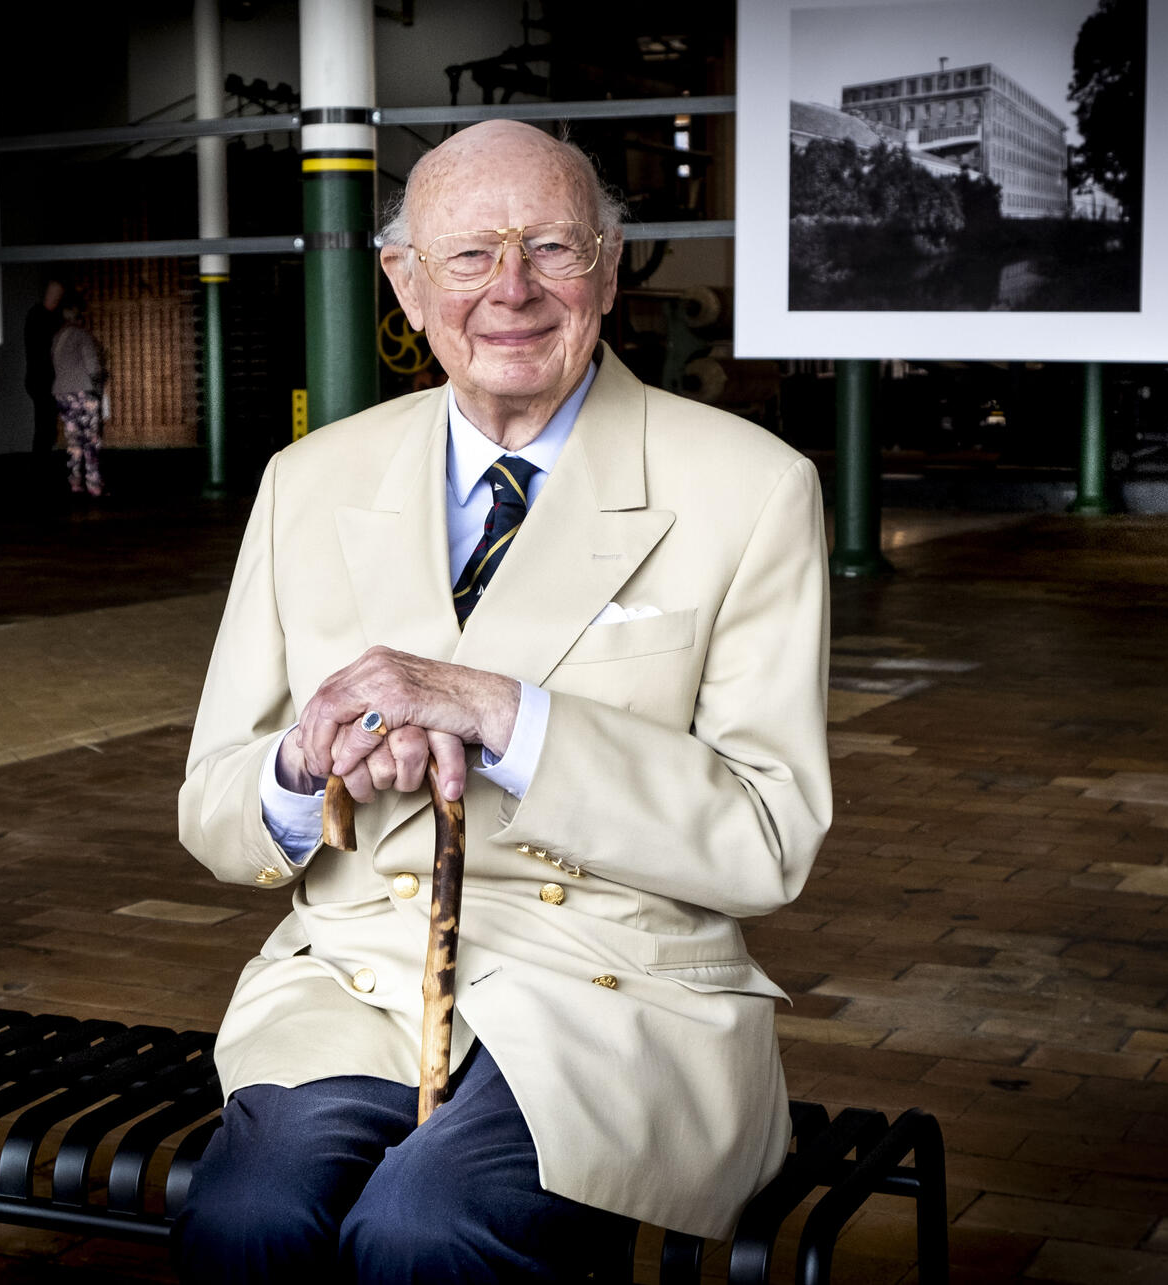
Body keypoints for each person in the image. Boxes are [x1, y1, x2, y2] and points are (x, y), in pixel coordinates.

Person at [175, 119, 831, 1282]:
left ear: (611, 266)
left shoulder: (750, 488)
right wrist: (301, 766)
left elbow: (766, 839)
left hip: (621, 995)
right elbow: (214, 801)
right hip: (356, 981)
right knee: (247, 1216)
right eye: (469, 256)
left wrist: (504, 713)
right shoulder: (307, 482)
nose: (511, 290)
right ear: (405, 282)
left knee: (425, 1230)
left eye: (551, 248)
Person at [50, 293, 108, 498]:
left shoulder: (57, 338)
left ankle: (75, 481)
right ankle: (94, 484)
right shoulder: (82, 336)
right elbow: (93, 367)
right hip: (84, 392)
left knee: (73, 440)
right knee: (91, 439)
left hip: (61, 393)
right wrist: (99, 384)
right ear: (79, 316)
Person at [22, 279, 65, 457]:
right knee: (44, 424)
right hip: (41, 378)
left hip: (43, 378)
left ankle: (42, 458)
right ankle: (40, 461)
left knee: (45, 423)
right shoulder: (39, 317)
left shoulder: (45, 316)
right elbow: (45, 347)